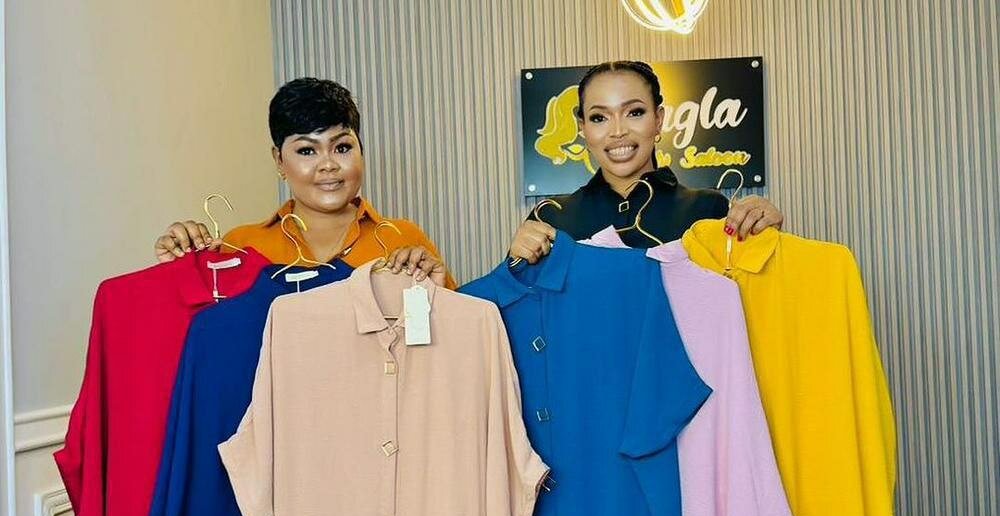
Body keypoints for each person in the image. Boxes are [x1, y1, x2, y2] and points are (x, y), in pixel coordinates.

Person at [154, 78, 454, 287]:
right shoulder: (240, 247)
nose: (328, 164)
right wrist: (176, 269)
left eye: (342, 147)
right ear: (279, 161)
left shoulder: (404, 239)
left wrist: (438, 290)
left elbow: (455, 338)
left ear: (361, 151)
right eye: (307, 151)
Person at [509, 60, 784, 265]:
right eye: (599, 117)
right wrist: (515, 263)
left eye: (635, 112)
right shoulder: (551, 219)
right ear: (583, 127)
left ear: (659, 120)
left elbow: (750, 300)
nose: (618, 131)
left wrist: (768, 238)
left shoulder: (709, 209)